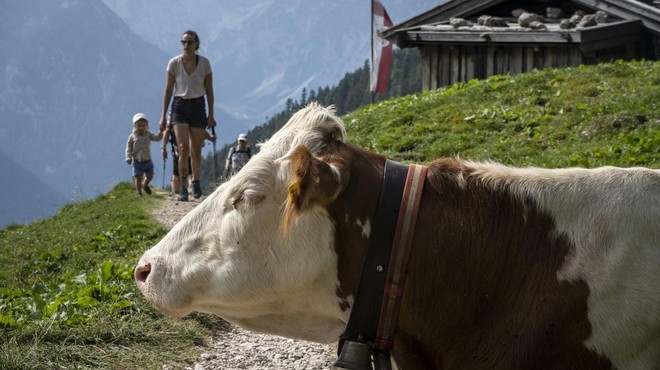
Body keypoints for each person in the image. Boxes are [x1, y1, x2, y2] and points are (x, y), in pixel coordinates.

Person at [159, 30, 215, 201]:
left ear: (197, 44)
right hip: (179, 106)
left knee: (196, 149)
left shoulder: (204, 64)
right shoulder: (174, 64)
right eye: (183, 42)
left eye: (190, 42)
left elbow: (209, 91)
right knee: (182, 147)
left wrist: (211, 114)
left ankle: (195, 181)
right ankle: (183, 187)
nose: (186, 45)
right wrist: (163, 115)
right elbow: (168, 90)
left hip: (198, 105)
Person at [161, 113, 216, 196]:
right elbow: (203, 132)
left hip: (179, 151)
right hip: (184, 151)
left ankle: (180, 191)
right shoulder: (190, 116)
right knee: (182, 173)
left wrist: (163, 147)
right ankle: (183, 190)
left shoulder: (174, 116)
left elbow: (167, 131)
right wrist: (211, 138)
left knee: (179, 174)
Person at [125, 113, 163, 196]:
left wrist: (161, 132)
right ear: (135, 126)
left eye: (143, 126)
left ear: (146, 126)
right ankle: (138, 192)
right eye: (139, 126)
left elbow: (157, 138)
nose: (141, 128)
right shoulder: (132, 137)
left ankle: (145, 184)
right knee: (138, 177)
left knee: (150, 176)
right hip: (137, 161)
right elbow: (128, 148)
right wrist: (128, 157)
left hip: (147, 160)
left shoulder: (148, 135)